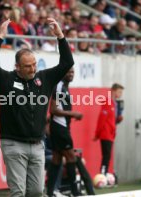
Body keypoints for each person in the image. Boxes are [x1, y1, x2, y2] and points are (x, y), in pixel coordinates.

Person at [0, 18, 74, 196]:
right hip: (13, 143)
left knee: (35, 192)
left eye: (34, 64)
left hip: (37, 144)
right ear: (17, 67)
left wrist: (60, 36)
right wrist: (0, 37)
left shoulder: (45, 78)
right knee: (18, 192)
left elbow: (66, 63)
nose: (33, 69)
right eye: (27, 66)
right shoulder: (6, 80)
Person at [47, 67, 95, 197]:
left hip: (62, 127)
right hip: (59, 127)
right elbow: (53, 109)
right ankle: (75, 192)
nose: (71, 74)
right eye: (68, 71)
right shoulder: (59, 86)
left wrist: (70, 116)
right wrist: (73, 114)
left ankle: (49, 192)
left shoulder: (64, 87)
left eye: (72, 72)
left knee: (57, 159)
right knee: (71, 157)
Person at [94, 83, 124, 176]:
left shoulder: (115, 104)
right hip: (105, 133)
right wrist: (97, 134)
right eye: (119, 91)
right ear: (113, 91)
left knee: (107, 156)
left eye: (121, 92)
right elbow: (102, 118)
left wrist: (118, 120)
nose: (120, 94)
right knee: (106, 155)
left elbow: (112, 120)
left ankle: (104, 174)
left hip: (111, 134)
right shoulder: (107, 101)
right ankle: (103, 174)